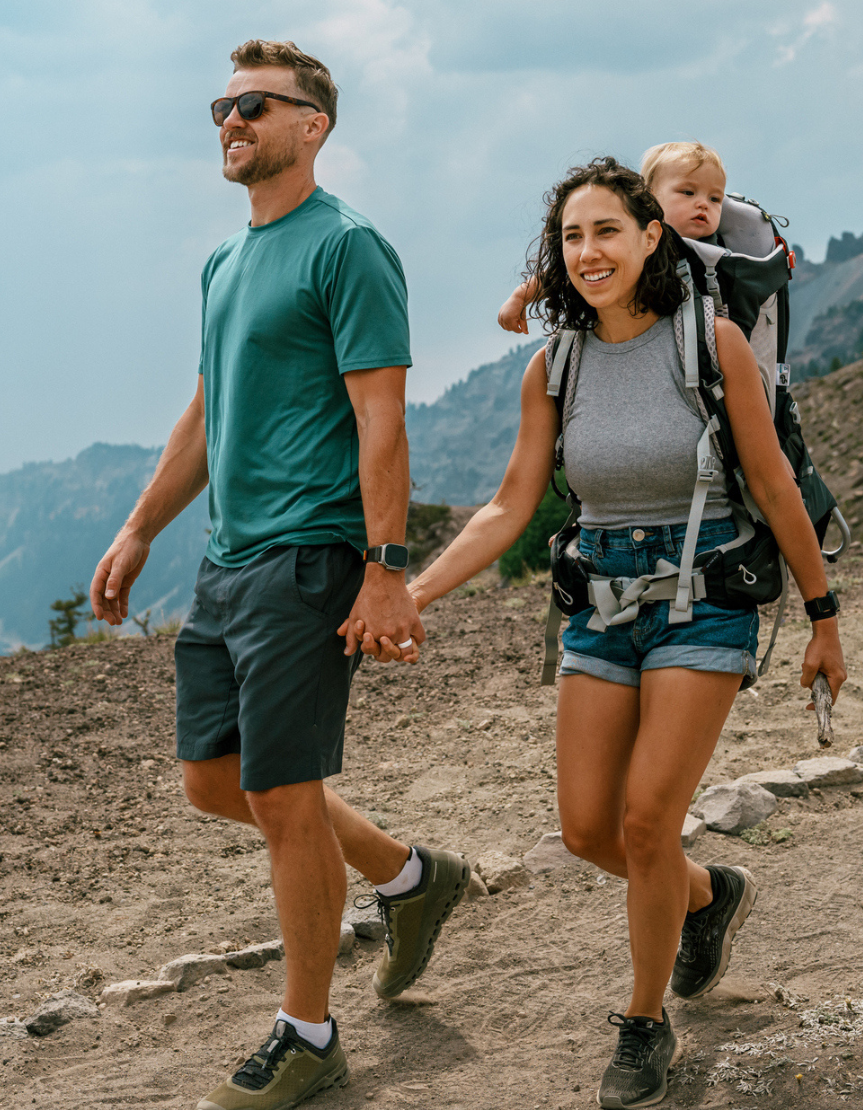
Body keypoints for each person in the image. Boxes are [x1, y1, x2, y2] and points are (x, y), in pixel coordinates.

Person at [368, 157, 846, 1107]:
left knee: (643, 823)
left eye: (607, 232)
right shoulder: (558, 364)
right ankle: (710, 898)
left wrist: (823, 616)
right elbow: (510, 508)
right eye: (573, 238)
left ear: (651, 237)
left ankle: (641, 1024)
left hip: (705, 596)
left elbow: (777, 485)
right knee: (589, 831)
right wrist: (411, 591)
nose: (590, 252)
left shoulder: (712, 345)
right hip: (599, 603)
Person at [88, 38, 469, 1110]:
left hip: (311, 557)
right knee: (216, 781)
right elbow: (210, 411)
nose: (230, 120)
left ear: (315, 124)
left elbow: (379, 418)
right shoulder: (225, 260)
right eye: (221, 105)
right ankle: (409, 877)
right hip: (227, 557)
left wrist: (386, 568)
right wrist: (138, 529)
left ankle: (309, 1037)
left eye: (254, 105)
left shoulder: (347, 248)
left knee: (280, 792)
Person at [497, 140, 726, 334]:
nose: (702, 204)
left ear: (651, 237)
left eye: (715, 199)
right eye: (687, 192)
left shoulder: (723, 256)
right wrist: (520, 297)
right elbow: (555, 276)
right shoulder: (637, 242)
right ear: (651, 197)